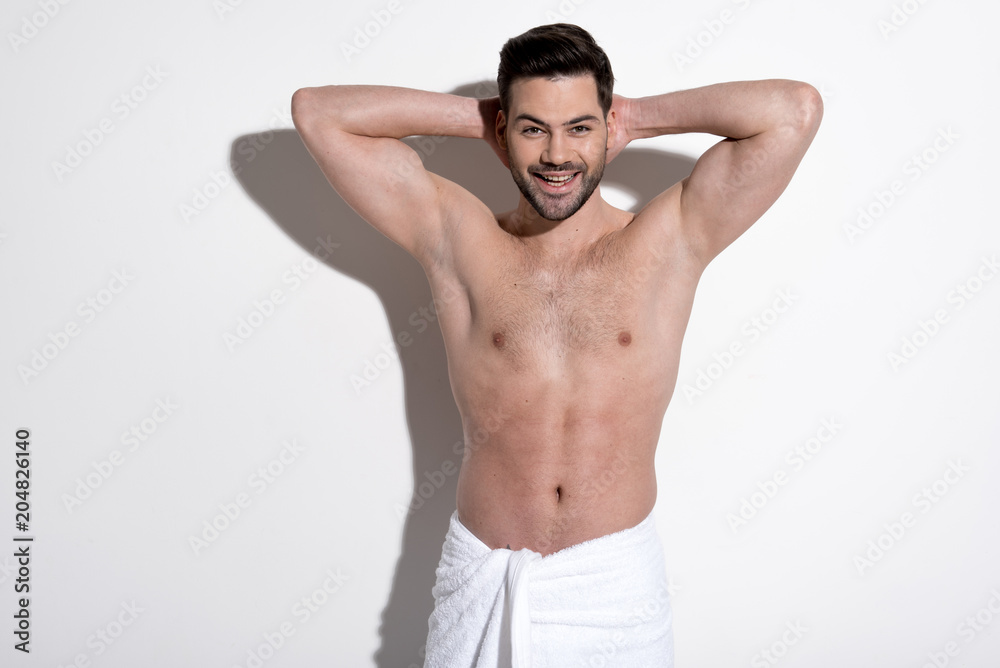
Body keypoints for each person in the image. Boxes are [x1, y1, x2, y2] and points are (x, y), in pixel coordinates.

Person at [291, 22, 822, 667]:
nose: (556, 155)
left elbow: (793, 111)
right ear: (504, 133)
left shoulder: (669, 237)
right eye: (533, 129)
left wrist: (634, 118)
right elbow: (318, 113)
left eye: (579, 128)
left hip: (612, 587)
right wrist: (489, 117)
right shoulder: (459, 238)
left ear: (606, 126)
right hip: (485, 579)